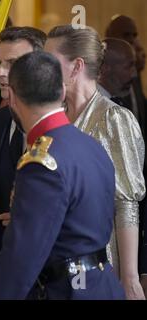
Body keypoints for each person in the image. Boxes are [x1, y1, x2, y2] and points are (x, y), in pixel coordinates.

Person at [0, 51, 125, 300]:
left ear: (12, 97)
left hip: (65, 291)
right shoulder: (90, 145)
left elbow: (19, 261)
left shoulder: (42, 162)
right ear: (62, 92)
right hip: (102, 286)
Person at [45, 25, 145, 300]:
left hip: (100, 264)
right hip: (51, 268)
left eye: (50, 61)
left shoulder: (114, 119)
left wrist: (130, 278)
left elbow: (126, 203)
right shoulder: (51, 117)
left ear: (76, 67)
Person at [0, 26, 46, 274]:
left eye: (12, 63)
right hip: (0, 267)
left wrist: (35, 216)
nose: (0, 72)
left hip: (48, 269)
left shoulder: (69, 127)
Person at [98, 38, 137, 104]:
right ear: (104, 67)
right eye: (128, 67)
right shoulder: (91, 105)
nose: (134, 74)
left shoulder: (117, 101)